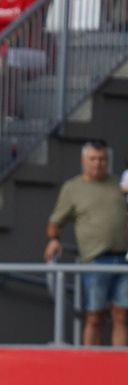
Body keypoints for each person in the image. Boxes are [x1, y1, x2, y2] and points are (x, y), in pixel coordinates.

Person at [44, 140, 128, 346]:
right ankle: (91, 362)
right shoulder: (73, 188)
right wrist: (54, 240)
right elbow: (55, 222)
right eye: (93, 159)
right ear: (83, 160)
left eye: (102, 159)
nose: (98, 164)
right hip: (95, 260)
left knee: (121, 316)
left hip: (123, 259)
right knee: (94, 316)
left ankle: (120, 365)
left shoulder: (118, 185)